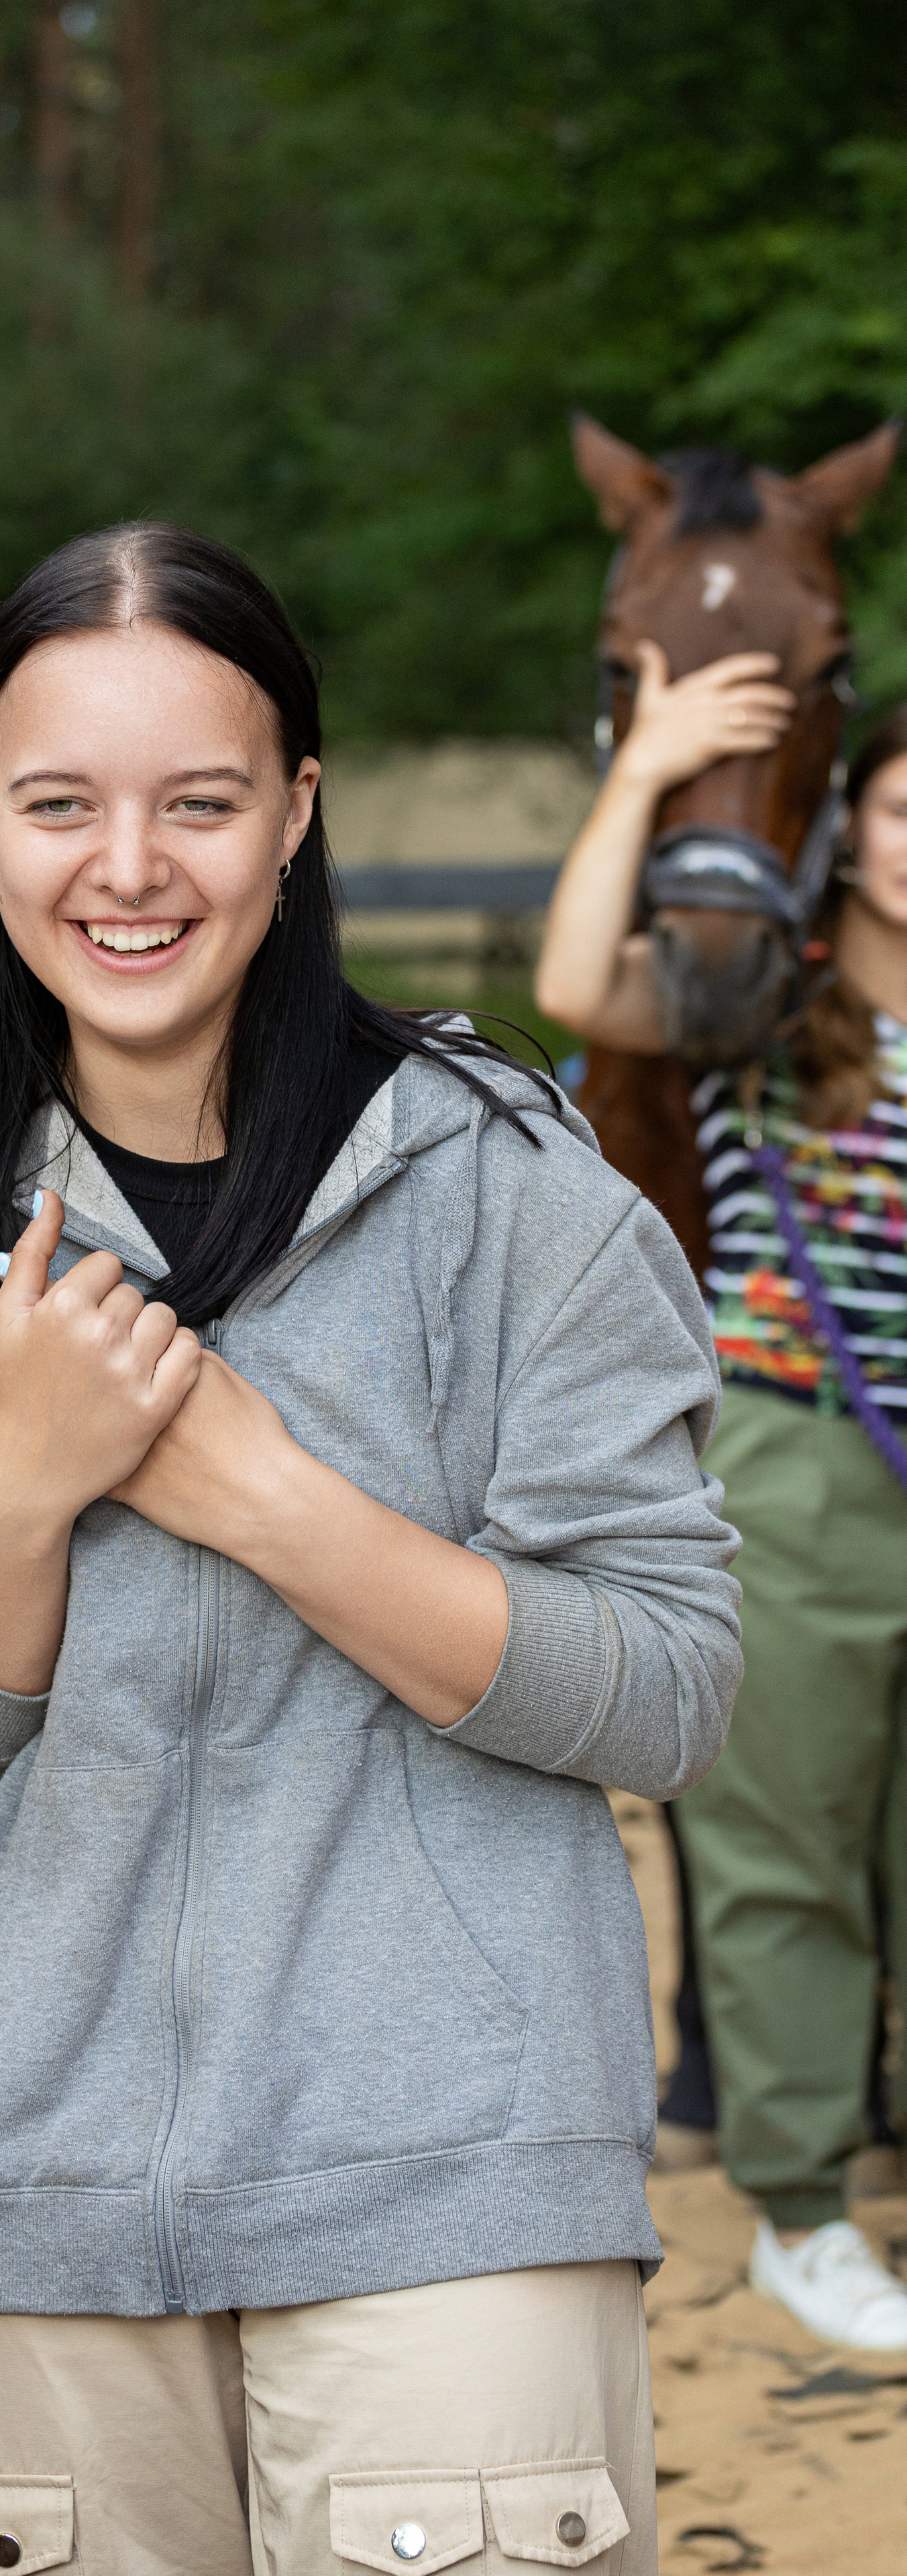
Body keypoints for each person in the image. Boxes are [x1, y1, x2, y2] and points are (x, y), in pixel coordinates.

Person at [0, 523, 741, 2576]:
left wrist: (262, 1496)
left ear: (297, 812)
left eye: (201, 802)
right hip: (26, 2205)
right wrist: (29, 1482)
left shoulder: (509, 1192)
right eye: (59, 804)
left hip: (459, 2189)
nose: (128, 867)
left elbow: (668, 1691)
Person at [537, 651, 907, 2351]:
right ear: (845, 829)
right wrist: (651, 765)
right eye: (900, 813)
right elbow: (569, 976)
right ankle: (803, 2207)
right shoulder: (762, 999)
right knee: (783, 1857)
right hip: (799, 1451)